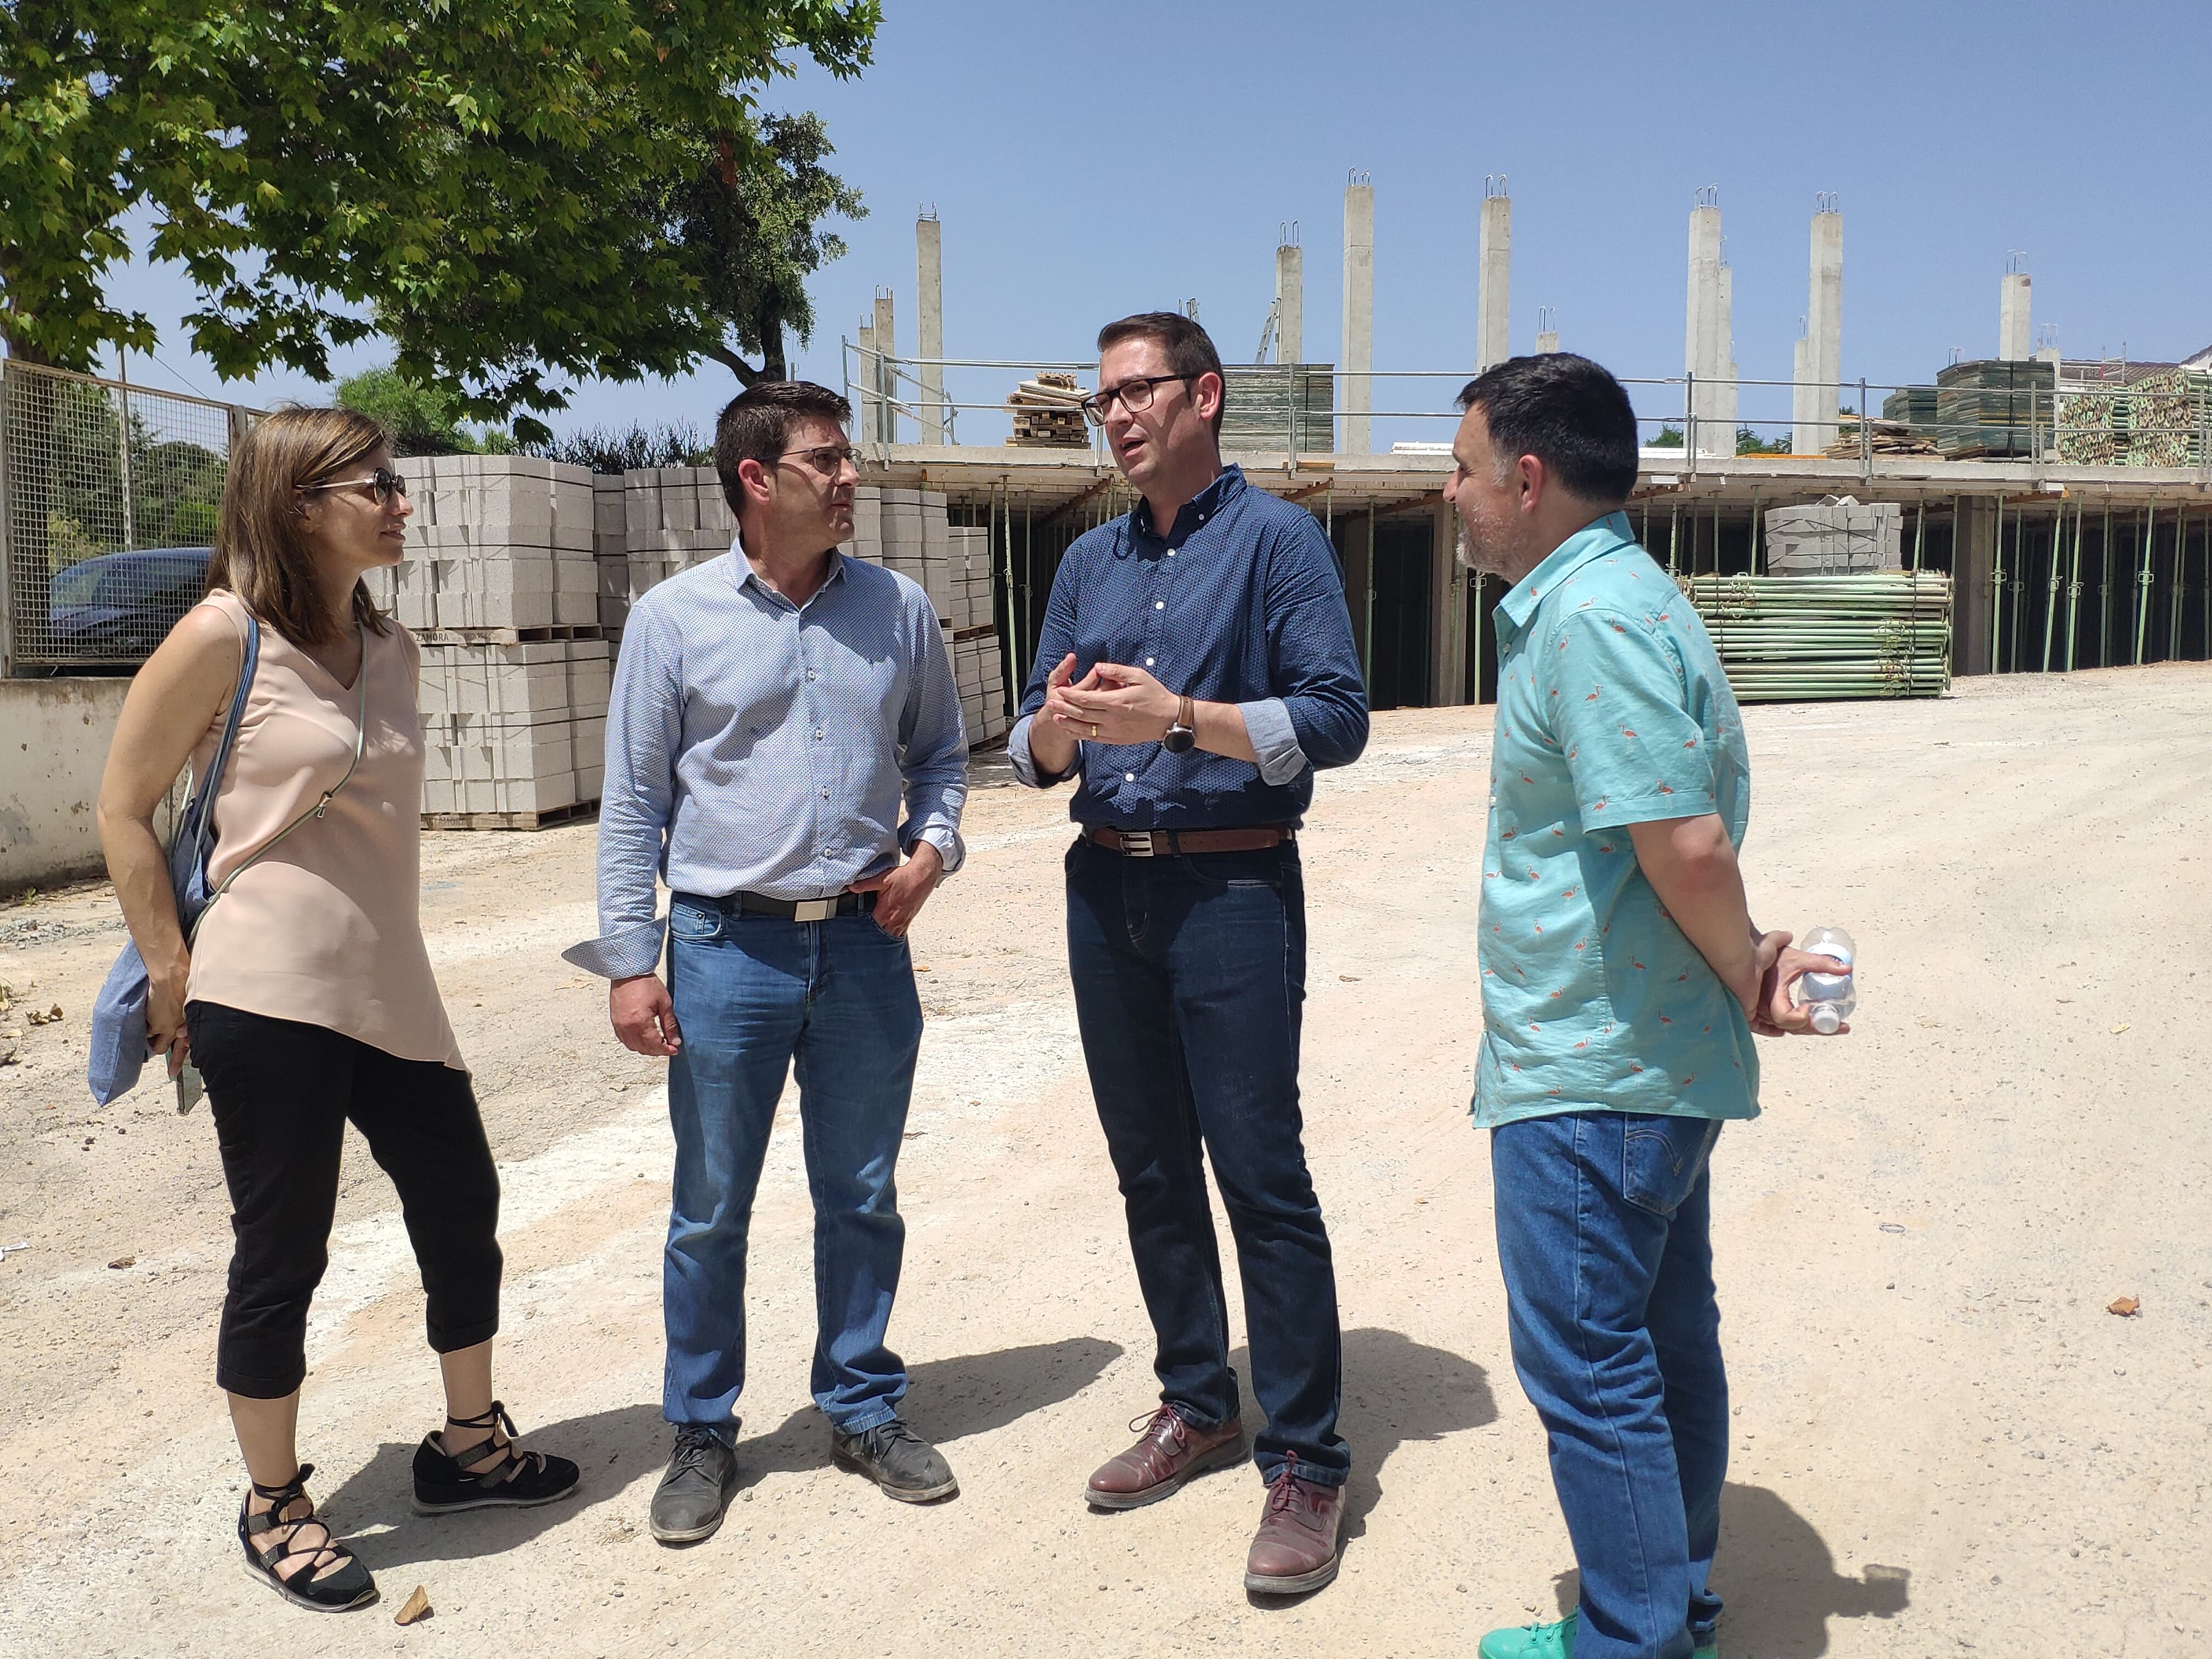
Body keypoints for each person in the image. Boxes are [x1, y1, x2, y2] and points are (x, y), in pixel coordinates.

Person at [96, 407, 578, 1615]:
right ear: (300, 503)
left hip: (390, 983)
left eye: (399, 484)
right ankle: (274, 1503)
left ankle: (468, 1445)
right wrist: (166, 967)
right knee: (286, 1248)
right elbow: (120, 804)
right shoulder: (224, 634)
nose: (403, 502)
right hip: (263, 988)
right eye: (379, 485)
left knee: (463, 1200)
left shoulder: (397, 649)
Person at [1442, 355, 1847, 1659]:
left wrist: (1748, 970)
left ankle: (1633, 1640)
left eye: (1461, 469)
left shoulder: (1589, 621)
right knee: (1666, 1345)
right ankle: (1677, 1600)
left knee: (1593, 1369)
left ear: (1527, 476)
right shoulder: (1635, 598)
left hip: (1593, 1067)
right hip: (1646, 1066)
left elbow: (1681, 842)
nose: (1450, 496)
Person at [564, 380, 969, 1546]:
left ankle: (861, 1406)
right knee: (709, 1208)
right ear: (756, 479)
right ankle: (702, 1429)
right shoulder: (673, 620)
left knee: (859, 1195)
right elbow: (633, 805)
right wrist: (631, 963)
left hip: (862, 947)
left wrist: (931, 852)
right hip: (722, 948)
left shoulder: (894, 611)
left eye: (848, 460)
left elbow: (944, 756)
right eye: (826, 461)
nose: (851, 480)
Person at [1010, 312, 1369, 1594]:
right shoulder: (1088, 559)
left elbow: (1338, 720)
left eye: (1137, 391)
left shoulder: (1280, 544)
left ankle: (1311, 1459)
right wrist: (1055, 735)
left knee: (1259, 1170)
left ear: (1204, 395)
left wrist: (1183, 722)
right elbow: (1032, 737)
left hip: (1233, 891)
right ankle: (1197, 1399)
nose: (1114, 415)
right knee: (1151, 1165)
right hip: (1106, 889)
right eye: (1105, 397)